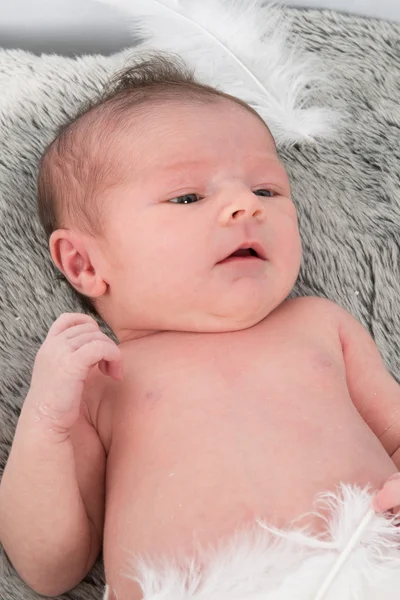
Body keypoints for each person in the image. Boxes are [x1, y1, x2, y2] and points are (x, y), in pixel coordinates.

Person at [1, 52, 400, 600]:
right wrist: (46, 421)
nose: (245, 206)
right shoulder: (102, 377)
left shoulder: (321, 325)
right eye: (188, 196)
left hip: (368, 570)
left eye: (266, 190)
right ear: (84, 265)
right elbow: (51, 568)